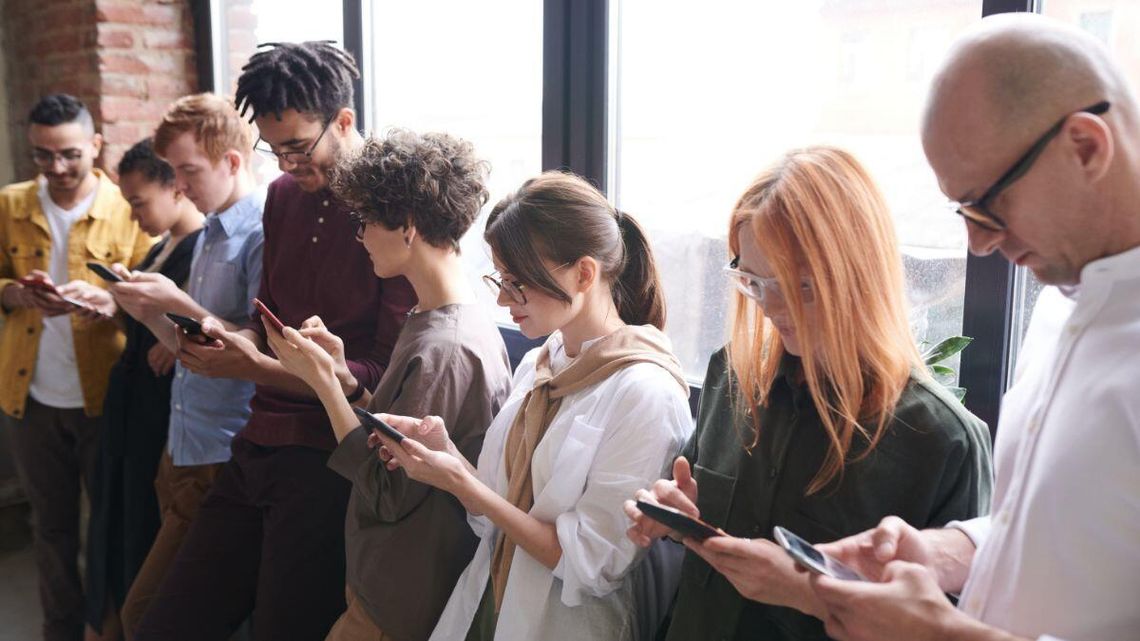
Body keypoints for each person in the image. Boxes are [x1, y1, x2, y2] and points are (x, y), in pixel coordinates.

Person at [804, 14, 1140, 641]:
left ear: (1087, 146)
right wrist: (944, 552)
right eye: (963, 210)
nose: (978, 244)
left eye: (989, 204)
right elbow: (1069, 534)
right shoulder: (1062, 299)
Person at [624, 146, 993, 641]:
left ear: (858, 274)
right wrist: (676, 514)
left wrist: (804, 591)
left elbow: (944, 627)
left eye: (801, 287)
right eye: (754, 282)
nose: (771, 308)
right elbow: (694, 518)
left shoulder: (941, 441)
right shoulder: (731, 377)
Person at [134, 43, 416, 641]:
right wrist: (221, 336)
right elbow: (267, 324)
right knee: (165, 623)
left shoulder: (392, 208)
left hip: (328, 458)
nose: (286, 164)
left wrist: (254, 366)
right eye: (273, 147)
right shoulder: (283, 199)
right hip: (256, 440)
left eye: (298, 146)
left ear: (343, 121)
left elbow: (379, 380)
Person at [374, 171, 693, 641]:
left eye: (518, 283)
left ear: (584, 274)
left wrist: (462, 481)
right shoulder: (541, 365)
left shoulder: (646, 393)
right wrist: (448, 459)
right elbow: (492, 515)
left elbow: (592, 564)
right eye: (500, 279)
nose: (504, 300)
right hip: (486, 604)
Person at [265, 129, 512, 641]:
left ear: (408, 228)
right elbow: (403, 435)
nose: (360, 237)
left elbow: (388, 490)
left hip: (400, 595)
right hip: (394, 582)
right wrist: (346, 382)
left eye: (366, 222)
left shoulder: (445, 347)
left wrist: (323, 388)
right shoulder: (436, 318)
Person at [102, 93, 265, 640]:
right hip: (183, 444)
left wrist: (175, 301)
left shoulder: (260, 234)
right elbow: (190, 344)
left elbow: (257, 351)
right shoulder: (211, 230)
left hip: (221, 452)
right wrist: (147, 311)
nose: (180, 185)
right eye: (174, 172)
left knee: (145, 615)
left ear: (233, 162)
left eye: (189, 171)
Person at [0, 93, 153, 641]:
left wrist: (111, 302)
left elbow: (157, 295)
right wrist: (16, 294)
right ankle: (59, 631)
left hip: (104, 394)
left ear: (95, 144)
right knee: (51, 529)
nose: (57, 168)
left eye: (68, 153)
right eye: (42, 155)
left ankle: (106, 628)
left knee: (111, 526)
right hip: (30, 399)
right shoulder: (10, 204)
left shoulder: (129, 207)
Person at [83, 139, 204, 641]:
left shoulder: (202, 250)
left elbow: (212, 332)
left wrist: (175, 339)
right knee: (115, 514)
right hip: (130, 403)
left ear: (175, 187)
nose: (134, 217)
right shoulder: (160, 248)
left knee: (143, 527)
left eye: (138, 202)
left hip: (161, 413)